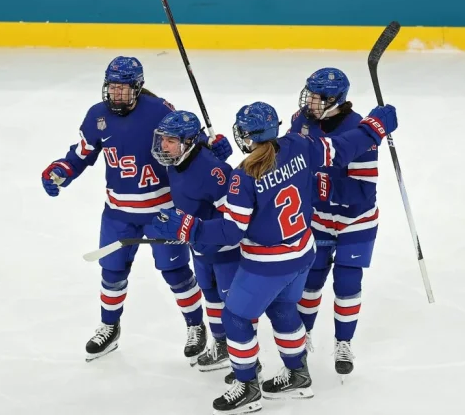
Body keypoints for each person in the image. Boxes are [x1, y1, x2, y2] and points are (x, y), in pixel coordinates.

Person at [148, 101, 397, 414]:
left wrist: (189, 227)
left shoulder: (245, 176)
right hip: (303, 253)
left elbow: (231, 232)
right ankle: (297, 374)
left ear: (247, 137)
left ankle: (247, 387)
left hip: (268, 263)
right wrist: (375, 127)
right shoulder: (299, 145)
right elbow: (345, 147)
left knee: (235, 318)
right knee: (282, 310)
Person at [41, 56, 215, 363]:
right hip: (118, 213)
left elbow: (188, 144)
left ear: (138, 87)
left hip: (161, 210)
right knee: (112, 271)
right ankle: (110, 327)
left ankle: (195, 326)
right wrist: (62, 170)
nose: (116, 94)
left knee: (175, 272)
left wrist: (210, 146)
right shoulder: (96, 116)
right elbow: (81, 154)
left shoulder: (159, 110)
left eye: (124, 89)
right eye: (113, 88)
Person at [149, 110, 260, 373]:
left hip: (225, 251)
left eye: (171, 140)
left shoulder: (212, 171)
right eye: (163, 138)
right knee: (210, 294)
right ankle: (222, 345)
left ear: (188, 142)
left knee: (236, 307)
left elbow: (233, 217)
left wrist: (197, 231)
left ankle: (249, 362)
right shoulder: (175, 162)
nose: (164, 146)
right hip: (199, 248)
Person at [289, 68, 380, 379]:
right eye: (309, 93)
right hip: (318, 217)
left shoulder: (361, 131)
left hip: (356, 219)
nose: (310, 101)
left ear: (335, 100)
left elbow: (364, 189)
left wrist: (325, 182)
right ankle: (303, 334)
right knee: (310, 280)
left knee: (347, 282)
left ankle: (343, 342)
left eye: (317, 97)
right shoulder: (301, 121)